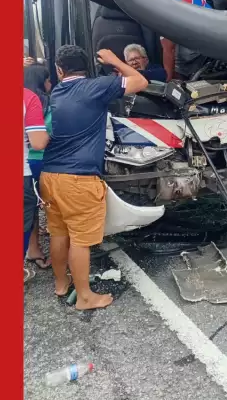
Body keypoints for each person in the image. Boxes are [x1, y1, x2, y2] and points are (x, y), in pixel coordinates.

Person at [39, 45, 148, 310]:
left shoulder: (58, 91)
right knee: (80, 239)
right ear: (86, 68)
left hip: (50, 176)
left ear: (59, 70)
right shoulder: (95, 87)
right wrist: (114, 60)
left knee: (58, 233)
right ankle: (85, 297)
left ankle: (61, 284)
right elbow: (140, 81)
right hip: (78, 180)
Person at [23, 63, 53, 269]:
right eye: (48, 79)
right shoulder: (43, 102)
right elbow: (40, 140)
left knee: (31, 208)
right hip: (42, 160)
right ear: (42, 82)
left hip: (28, 162)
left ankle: (33, 249)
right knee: (48, 206)